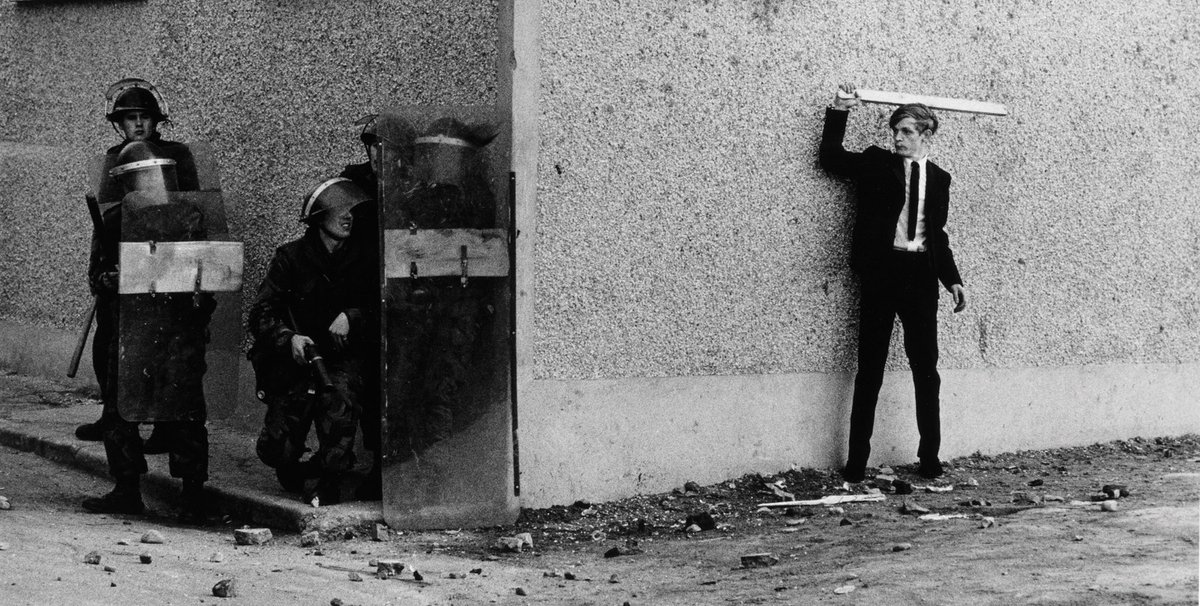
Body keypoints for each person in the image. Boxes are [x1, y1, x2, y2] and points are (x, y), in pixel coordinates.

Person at [819, 84, 968, 483]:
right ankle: (855, 465)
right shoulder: (875, 163)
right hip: (882, 274)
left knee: (926, 369)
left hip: (920, 278)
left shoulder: (940, 179)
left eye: (906, 132)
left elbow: (937, 233)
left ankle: (930, 459)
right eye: (895, 131)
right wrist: (839, 110)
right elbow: (830, 157)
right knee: (870, 368)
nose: (897, 138)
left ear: (926, 135)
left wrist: (951, 279)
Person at [81, 140, 215, 525]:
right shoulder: (112, 223)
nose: (151, 184)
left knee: (185, 412)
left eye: (157, 176)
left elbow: (207, 272)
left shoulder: (189, 218)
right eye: (142, 178)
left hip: (178, 330)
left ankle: (192, 493)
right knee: (120, 411)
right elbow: (97, 277)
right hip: (131, 329)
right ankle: (126, 489)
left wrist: (194, 306)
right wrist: (112, 279)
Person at [77, 77, 199, 455]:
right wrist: (100, 267)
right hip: (123, 257)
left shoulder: (176, 153)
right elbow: (107, 216)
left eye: (145, 116)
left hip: (167, 254)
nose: (139, 124)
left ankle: (164, 424)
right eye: (130, 118)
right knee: (108, 341)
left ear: (156, 119)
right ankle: (113, 414)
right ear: (119, 123)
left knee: (165, 347)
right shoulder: (116, 158)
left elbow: (192, 206)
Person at [248, 177, 378, 506]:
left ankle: (329, 476)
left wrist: (353, 317)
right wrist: (288, 338)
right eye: (339, 210)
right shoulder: (291, 258)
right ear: (319, 217)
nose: (348, 216)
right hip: (297, 359)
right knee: (276, 449)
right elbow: (261, 312)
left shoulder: (364, 259)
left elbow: (382, 307)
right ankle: (292, 465)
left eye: (351, 211)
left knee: (339, 412)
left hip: (340, 359)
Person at [383, 117, 498, 462]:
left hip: (454, 310)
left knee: (440, 389)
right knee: (406, 386)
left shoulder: (473, 198)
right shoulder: (417, 196)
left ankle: (434, 465)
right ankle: (405, 461)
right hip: (418, 307)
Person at [336, 112, 416, 500]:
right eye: (373, 148)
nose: (377, 156)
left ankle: (395, 468)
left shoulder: (413, 187)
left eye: (386, 149)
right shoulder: (353, 186)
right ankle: (374, 466)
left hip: (402, 299)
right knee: (368, 386)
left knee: (399, 384)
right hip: (362, 295)